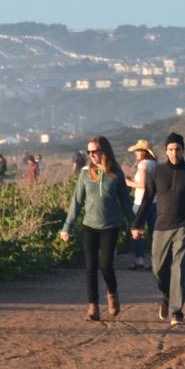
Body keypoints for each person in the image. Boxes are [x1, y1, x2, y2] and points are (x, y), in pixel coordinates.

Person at [131, 132, 185, 327]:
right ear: (165, 151)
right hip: (161, 227)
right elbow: (147, 199)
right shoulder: (157, 172)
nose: (174, 153)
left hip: (184, 227)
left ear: (183, 150)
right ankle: (166, 297)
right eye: (171, 149)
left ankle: (177, 311)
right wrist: (136, 224)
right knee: (158, 269)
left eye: (178, 149)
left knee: (180, 268)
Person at [60, 136, 134, 321]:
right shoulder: (85, 173)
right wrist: (67, 227)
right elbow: (76, 202)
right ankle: (93, 306)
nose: (91, 155)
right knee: (90, 267)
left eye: (95, 151)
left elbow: (126, 203)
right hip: (89, 225)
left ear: (104, 151)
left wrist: (135, 224)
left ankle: (112, 294)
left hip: (111, 225)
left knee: (106, 265)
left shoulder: (116, 174)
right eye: (89, 152)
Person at [124, 139, 158, 270]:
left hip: (140, 203)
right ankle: (155, 261)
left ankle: (140, 260)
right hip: (154, 202)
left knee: (136, 230)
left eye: (138, 150)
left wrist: (127, 182)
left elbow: (142, 185)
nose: (136, 153)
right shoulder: (156, 164)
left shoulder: (143, 165)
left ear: (144, 152)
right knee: (153, 232)